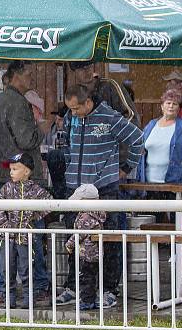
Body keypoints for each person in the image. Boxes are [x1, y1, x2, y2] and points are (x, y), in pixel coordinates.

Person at [55, 84, 143, 309]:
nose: (72, 113)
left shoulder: (110, 117)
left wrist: (125, 167)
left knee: (109, 240)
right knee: (74, 239)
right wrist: (69, 163)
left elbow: (137, 139)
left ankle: (109, 289)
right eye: (70, 109)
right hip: (75, 189)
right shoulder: (70, 118)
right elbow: (66, 142)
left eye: (75, 109)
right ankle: (74, 286)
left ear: (88, 102)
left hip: (104, 188)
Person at [0, 61, 50, 304]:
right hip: (21, 177)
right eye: (28, 75)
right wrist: (42, 128)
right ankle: (37, 286)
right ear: (14, 77)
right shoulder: (18, 102)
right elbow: (26, 139)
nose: (31, 79)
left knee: (6, 237)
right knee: (29, 235)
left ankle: (3, 288)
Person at [0, 152, 52, 308]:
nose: (11, 172)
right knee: (7, 268)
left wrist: (33, 218)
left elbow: (50, 203)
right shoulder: (6, 189)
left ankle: (28, 299)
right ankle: (9, 299)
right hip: (7, 237)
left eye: (15, 169)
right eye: (11, 169)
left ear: (27, 171)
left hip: (26, 236)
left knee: (26, 268)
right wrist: (4, 224)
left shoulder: (35, 189)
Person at [136, 90, 182, 185]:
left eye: (175, 104)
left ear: (179, 108)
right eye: (168, 103)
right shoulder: (151, 125)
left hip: (176, 181)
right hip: (149, 181)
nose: (171, 106)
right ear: (162, 106)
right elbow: (141, 145)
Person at [64, 184, 107, 311]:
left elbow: (80, 233)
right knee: (91, 277)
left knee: (86, 278)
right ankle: (90, 298)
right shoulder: (97, 214)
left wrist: (69, 244)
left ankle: (87, 301)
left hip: (87, 254)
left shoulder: (86, 217)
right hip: (95, 253)